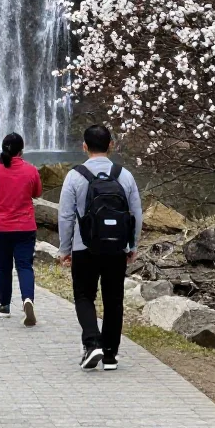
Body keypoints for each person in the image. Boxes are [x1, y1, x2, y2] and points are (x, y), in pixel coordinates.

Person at [58, 124, 143, 371]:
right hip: (116, 248)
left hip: (84, 247)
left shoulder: (75, 175)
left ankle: (92, 341)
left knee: (84, 296)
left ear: (84, 146)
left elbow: (65, 216)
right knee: (114, 299)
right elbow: (136, 213)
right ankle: (110, 355)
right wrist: (132, 245)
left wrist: (65, 249)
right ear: (111, 146)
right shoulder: (124, 175)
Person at [0, 133, 42, 326]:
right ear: (21, 151)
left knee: (3, 267)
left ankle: (4, 307)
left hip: (0, 227)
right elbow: (37, 192)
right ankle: (27, 300)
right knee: (24, 266)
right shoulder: (31, 170)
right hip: (25, 227)